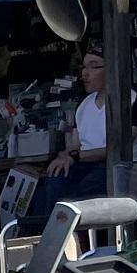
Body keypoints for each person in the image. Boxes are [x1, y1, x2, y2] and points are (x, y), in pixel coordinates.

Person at [29, 49, 108, 224]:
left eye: (93, 66)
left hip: (112, 168)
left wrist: (75, 156)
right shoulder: (84, 105)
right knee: (41, 192)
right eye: (83, 67)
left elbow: (119, 148)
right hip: (85, 165)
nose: (85, 73)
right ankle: (38, 237)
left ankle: (57, 236)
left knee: (59, 188)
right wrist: (64, 157)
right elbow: (74, 146)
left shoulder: (129, 99)